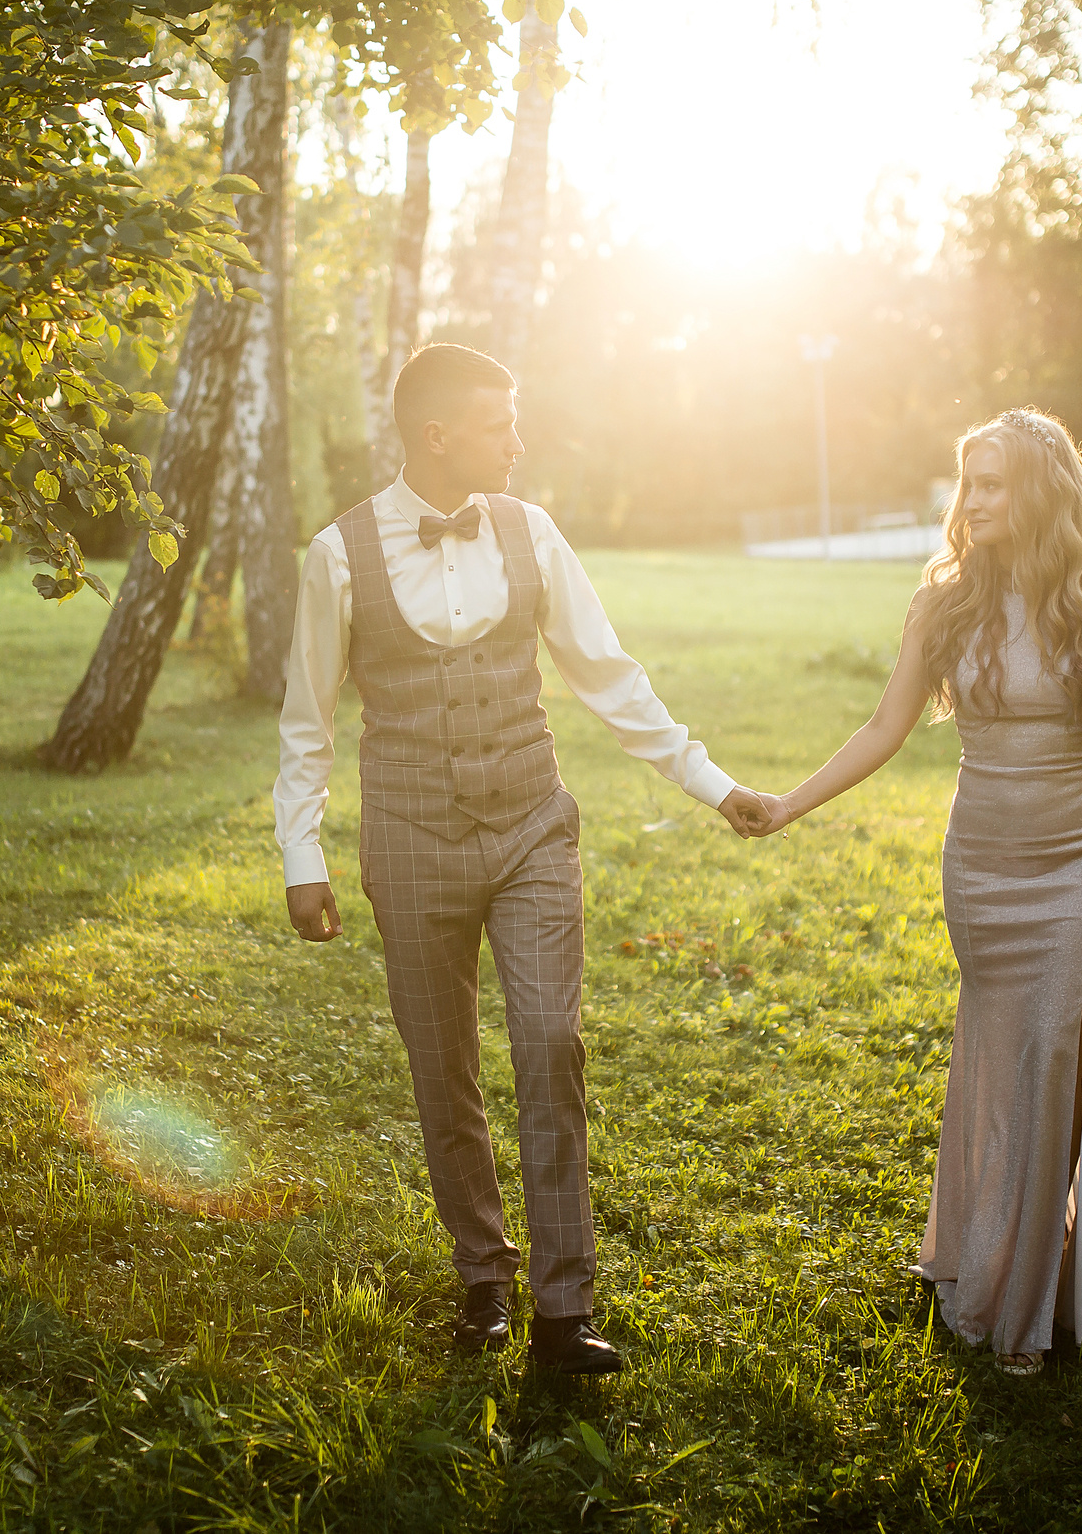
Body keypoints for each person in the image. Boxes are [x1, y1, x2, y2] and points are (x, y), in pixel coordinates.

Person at [276, 343, 767, 1374]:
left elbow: (607, 674)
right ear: (436, 435)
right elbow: (305, 721)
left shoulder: (532, 532)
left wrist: (715, 786)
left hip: (532, 827)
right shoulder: (337, 555)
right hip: (408, 842)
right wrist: (299, 856)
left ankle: (561, 1310)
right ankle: (481, 1281)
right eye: (503, 424)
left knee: (550, 1044)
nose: (520, 441)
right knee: (440, 1067)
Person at [732, 408, 1082, 1375]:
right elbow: (884, 729)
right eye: (968, 483)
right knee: (1005, 1054)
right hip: (984, 867)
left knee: (1057, 1050)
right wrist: (786, 802)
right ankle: (996, 1252)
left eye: (994, 482)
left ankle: (1036, 1287)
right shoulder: (946, 604)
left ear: (1045, 490)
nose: (971, 501)